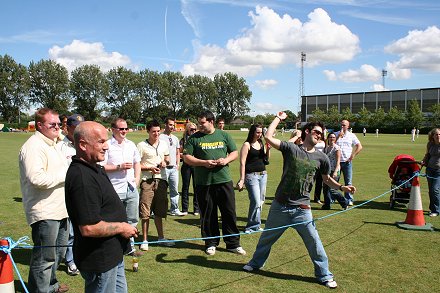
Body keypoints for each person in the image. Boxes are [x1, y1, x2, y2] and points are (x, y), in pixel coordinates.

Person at [243, 112, 356, 289]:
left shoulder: (322, 158)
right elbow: (268, 136)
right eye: (316, 131)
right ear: (307, 132)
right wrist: (278, 119)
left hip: (302, 210)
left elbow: (326, 180)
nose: (319, 135)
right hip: (280, 206)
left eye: (321, 133)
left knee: (314, 243)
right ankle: (256, 263)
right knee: (266, 239)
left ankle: (324, 274)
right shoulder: (291, 149)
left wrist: (341, 187)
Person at [65, 121, 138, 293]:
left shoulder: (94, 168)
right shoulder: (82, 178)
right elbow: (89, 228)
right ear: (83, 144)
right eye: (100, 142)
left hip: (113, 255)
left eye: (106, 141)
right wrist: (122, 227)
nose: (106, 147)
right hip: (99, 260)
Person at [19, 108, 69, 293]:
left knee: (58, 253)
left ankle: (51, 285)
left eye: (58, 124)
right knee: (44, 256)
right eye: (52, 124)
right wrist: (66, 174)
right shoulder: (33, 146)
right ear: (39, 125)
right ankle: (40, 289)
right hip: (44, 211)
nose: (57, 127)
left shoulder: (53, 143)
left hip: (61, 209)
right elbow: (37, 179)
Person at [183, 110, 246, 256]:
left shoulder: (224, 135)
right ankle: (211, 243)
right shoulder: (194, 138)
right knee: (208, 214)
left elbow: (234, 152)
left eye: (202, 122)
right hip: (204, 183)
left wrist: (226, 160)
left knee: (229, 212)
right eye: (199, 122)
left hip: (223, 180)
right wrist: (203, 162)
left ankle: (233, 244)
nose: (199, 125)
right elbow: (186, 157)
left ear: (211, 121)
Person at [103, 118, 142, 255]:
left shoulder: (131, 144)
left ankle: (129, 248)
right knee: (115, 220)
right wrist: (118, 167)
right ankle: (114, 248)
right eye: (121, 129)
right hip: (114, 188)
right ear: (113, 129)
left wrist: (136, 179)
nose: (124, 131)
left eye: (126, 128)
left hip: (131, 187)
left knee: (132, 219)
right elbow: (100, 166)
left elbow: (137, 162)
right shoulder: (107, 145)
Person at [137, 119, 175, 251]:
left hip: (162, 181)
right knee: (145, 211)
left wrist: (165, 162)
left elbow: (167, 158)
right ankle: (145, 240)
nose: (156, 134)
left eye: (158, 131)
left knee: (160, 211)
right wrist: (149, 168)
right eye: (154, 131)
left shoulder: (164, 144)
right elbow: (136, 165)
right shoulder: (141, 145)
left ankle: (161, 238)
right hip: (147, 181)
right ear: (148, 131)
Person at [58, 113, 84, 277]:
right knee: (71, 231)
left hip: (84, 192)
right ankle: (70, 260)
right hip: (68, 193)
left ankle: (80, 257)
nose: (78, 131)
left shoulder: (83, 144)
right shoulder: (61, 147)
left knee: (83, 228)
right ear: (68, 128)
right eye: (75, 128)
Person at [237, 123, 270, 233]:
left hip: (263, 174)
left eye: (261, 132)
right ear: (252, 132)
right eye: (258, 132)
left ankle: (256, 225)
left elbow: (265, 160)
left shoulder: (261, 143)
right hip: (251, 176)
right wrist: (242, 179)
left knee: (260, 201)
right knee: (255, 201)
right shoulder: (247, 144)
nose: (260, 134)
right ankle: (251, 227)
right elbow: (242, 163)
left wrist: (268, 149)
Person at [159, 117, 186, 216]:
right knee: (161, 190)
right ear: (165, 125)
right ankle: (158, 210)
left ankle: (174, 209)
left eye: (173, 125)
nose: (172, 127)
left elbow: (178, 152)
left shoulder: (175, 138)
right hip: (164, 168)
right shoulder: (160, 137)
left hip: (173, 168)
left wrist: (178, 164)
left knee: (174, 190)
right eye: (170, 124)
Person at [335, 119, 362, 205]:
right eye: (341, 125)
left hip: (347, 162)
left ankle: (349, 199)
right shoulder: (335, 134)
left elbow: (359, 146)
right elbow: (330, 144)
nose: (342, 126)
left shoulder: (351, 135)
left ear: (348, 126)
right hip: (336, 163)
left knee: (348, 182)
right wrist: (338, 136)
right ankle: (334, 198)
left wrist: (353, 155)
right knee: (335, 182)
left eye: (344, 125)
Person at [322, 132, 349, 210]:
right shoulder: (326, 148)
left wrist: (336, 171)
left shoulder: (337, 148)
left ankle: (344, 202)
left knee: (332, 189)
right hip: (326, 170)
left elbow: (338, 161)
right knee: (325, 189)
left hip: (334, 170)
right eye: (330, 137)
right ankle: (327, 205)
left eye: (333, 137)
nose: (332, 139)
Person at [180, 122, 199, 215]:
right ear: (187, 129)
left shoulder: (198, 139)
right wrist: (185, 156)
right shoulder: (183, 140)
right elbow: (179, 153)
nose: (194, 131)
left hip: (196, 166)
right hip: (186, 166)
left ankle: (196, 209)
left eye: (195, 129)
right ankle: (184, 209)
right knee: (185, 187)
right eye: (192, 129)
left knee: (196, 187)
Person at [422, 128, 440, 217]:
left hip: (439, 171)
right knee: (431, 191)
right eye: (436, 134)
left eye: (439, 134)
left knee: (435, 189)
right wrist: (423, 161)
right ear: (432, 136)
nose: (438, 136)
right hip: (429, 169)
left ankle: (436, 210)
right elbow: (427, 155)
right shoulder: (430, 144)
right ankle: (432, 209)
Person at [313, 134, 326, 204]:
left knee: (319, 182)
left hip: (321, 162)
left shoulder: (324, 141)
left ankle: (317, 198)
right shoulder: (313, 140)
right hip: (313, 161)